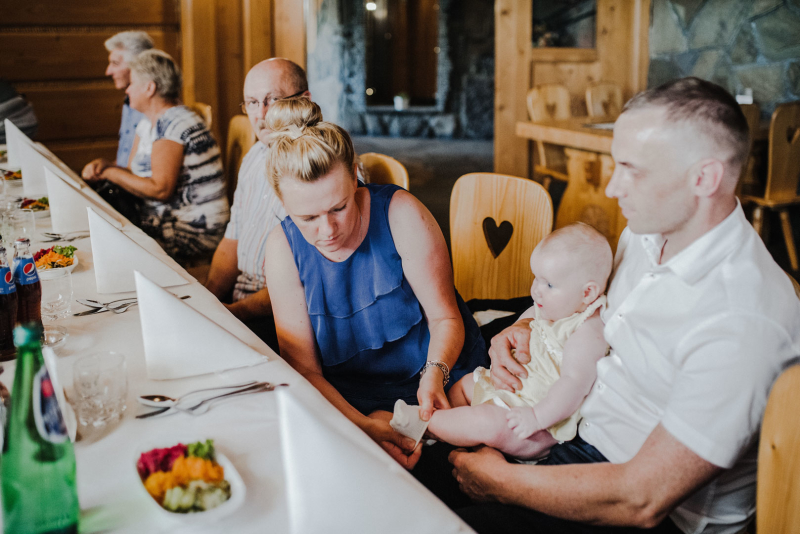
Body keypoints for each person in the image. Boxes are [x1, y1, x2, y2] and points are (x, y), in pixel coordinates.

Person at [448, 77, 800, 534]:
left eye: (631, 169)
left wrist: (502, 483)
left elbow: (642, 498)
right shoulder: (646, 232)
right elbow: (591, 300)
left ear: (704, 178)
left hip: (645, 506)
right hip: (572, 432)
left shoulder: (742, 320)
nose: (612, 188)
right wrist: (525, 323)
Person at [263, 97, 488, 469]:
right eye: (307, 217)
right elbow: (304, 370)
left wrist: (435, 377)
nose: (327, 230)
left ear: (355, 175)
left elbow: (445, 319)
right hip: (350, 394)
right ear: (282, 201)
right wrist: (361, 425)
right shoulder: (281, 248)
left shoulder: (401, 213)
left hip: (434, 368)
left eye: (339, 207)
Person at [427, 223, 611, 460]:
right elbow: (529, 317)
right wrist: (519, 325)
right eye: (536, 278)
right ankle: (449, 432)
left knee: (486, 422)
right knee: (462, 386)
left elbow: (574, 384)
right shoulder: (560, 304)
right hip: (505, 390)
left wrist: (536, 417)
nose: (536, 291)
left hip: (532, 420)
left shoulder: (588, 331)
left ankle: (425, 425)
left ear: (587, 293)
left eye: (549, 284)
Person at [81, 50, 229, 264]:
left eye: (131, 83)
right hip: (159, 221)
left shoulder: (175, 123)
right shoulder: (148, 122)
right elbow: (133, 173)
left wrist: (111, 173)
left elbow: (160, 189)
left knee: (102, 246)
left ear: (150, 88)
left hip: (190, 232)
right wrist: (106, 166)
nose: (127, 89)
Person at [204, 58, 310, 336]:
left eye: (272, 99)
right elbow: (232, 242)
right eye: (251, 102)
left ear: (304, 100)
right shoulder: (254, 156)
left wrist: (233, 314)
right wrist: (209, 301)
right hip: (243, 303)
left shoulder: (318, 166)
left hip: (286, 316)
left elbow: (305, 282)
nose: (261, 114)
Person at [102, 31, 154, 167]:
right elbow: (126, 163)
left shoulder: (153, 106)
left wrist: (111, 173)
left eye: (115, 63)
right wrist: (106, 167)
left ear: (137, 65)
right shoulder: (128, 101)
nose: (108, 71)